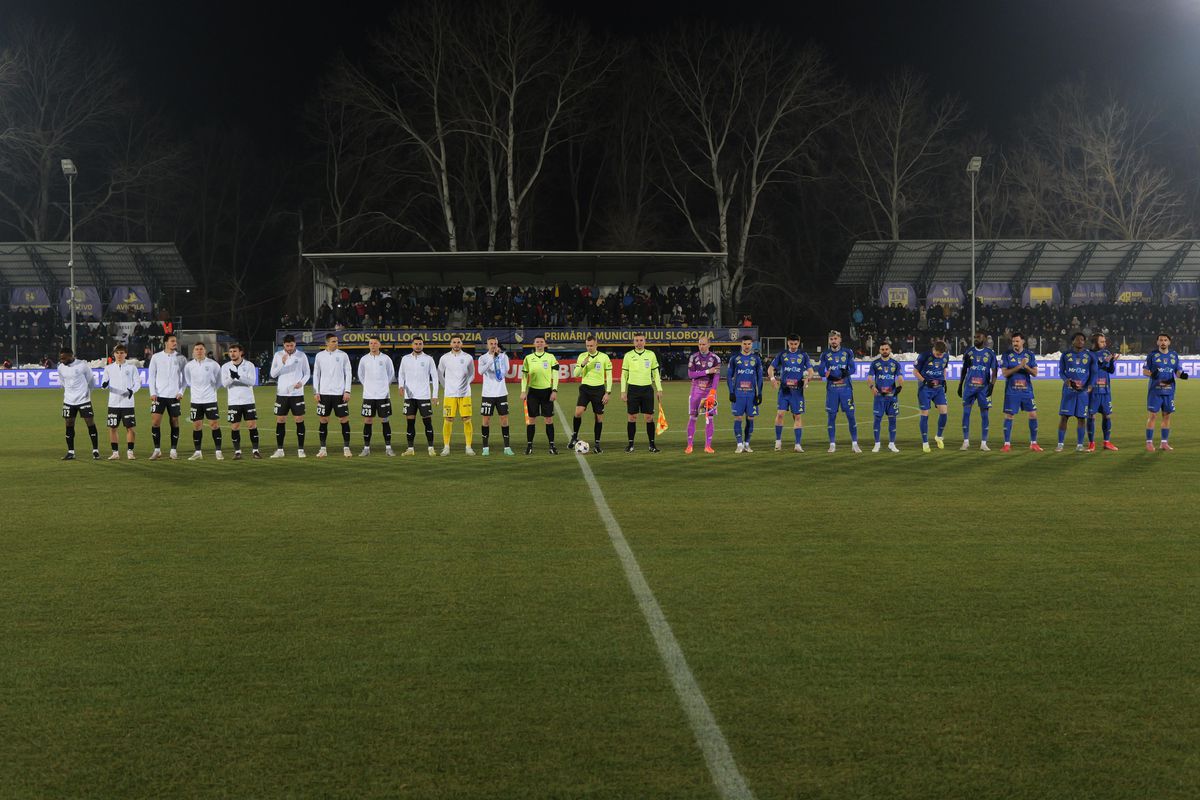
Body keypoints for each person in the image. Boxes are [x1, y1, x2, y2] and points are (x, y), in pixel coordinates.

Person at [815, 330, 860, 453]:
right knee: (831, 416)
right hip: (832, 390)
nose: (833, 341)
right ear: (829, 341)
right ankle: (832, 444)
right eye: (831, 339)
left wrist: (846, 373)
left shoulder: (847, 352)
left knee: (851, 416)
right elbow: (820, 371)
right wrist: (825, 374)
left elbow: (853, 369)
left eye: (835, 339)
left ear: (840, 340)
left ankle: (854, 444)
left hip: (846, 389)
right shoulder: (825, 354)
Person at [768, 334, 813, 453]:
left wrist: (808, 379)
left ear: (799, 343)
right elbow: (770, 368)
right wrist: (772, 379)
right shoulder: (782, 354)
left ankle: (797, 444)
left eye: (795, 344)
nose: (793, 346)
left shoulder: (803, 355)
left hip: (797, 391)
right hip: (784, 390)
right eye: (791, 343)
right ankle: (778, 442)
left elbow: (810, 371)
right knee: (780, 414)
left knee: (797, 416)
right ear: (788, 343)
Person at [1144, 333, 1188, 451]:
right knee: (1153, 416)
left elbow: (1177, 371)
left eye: (1165, 340)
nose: (1163, 342)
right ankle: (1149, 443)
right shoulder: (1152, 355)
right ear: (1157, 342)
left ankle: (1164, 443)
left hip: (1169, 391)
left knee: (1167, 416)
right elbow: (1145, 371)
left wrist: (1182, 375)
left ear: (1169, 342)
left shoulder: (1174, 355)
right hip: (1155, 391)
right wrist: (1152, 374)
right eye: (1161, 340)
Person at [620, 333, 663, 453]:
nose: (639, 342)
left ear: (645, 341)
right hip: (633, 390)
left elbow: (655, 373)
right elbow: (624, 375)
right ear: (633, 342)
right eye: (636, 340)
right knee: (632, 417)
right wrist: (623, 391)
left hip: (647, 389)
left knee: (649, 417)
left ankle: (652, 445)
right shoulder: (628, 355)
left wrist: (659, 389)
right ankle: (630, 445)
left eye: (641, 340)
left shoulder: (651, 354)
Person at [312, 333, 353, 458]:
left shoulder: (343, 355)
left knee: (343, 420)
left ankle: (346, 448)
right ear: (327, 343)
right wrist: (316, 391)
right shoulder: (320, 356)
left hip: (339, 394)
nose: (336, 343)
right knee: (323, 420)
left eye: (336, 341)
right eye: (333, 341)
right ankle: (323, 449)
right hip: (324, 394)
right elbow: (316, 374)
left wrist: (347, 391)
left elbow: (348, 373)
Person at [999, 332, 1042, 452]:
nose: (1015, 343)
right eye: (1013, 341)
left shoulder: (1029, 355)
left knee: (1033, 414)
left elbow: (1035, 373)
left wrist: (1026, 366)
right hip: (1012, 391)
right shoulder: (1006, 355)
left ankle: (1033, 443)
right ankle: (1007, 444)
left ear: (1023, 341)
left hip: (1026, 390)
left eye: (1017, 341)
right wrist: (1019, 366)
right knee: (1009, 415)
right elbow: (1005, 373)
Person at [269, 334, 310, 458]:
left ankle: (301, 450)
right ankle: (280, 450)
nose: (290, 348)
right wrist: (282, 363)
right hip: (282, 393)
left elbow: (307, 373)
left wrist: (301, 383)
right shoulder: (278, 355)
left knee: (299, 420)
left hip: (297, 394)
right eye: (287, 346)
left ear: (295, 344)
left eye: (291, 345)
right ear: (284, 345)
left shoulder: (301, 356)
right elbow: (273, 374)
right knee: (280, 420)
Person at [569, 334, 612, 453]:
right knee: (578, 412)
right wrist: (583, 364)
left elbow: (609, 376)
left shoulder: (604, 357)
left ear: (596, 345)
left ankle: (597, 444)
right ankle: (574, 436)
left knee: (598, 417)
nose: (589, 348)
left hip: (599, 389)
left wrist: (608, 392)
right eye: (587, 346)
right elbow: (576, 374)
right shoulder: (582, 356)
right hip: (585, 388)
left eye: (591, 345)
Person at [148, 333, 186, 460]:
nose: (175, 343)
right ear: (166, 342)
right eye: (172, 341)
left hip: (174, 396)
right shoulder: (156, 357)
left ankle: (173, 450)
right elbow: (151, 376)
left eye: (175, 341)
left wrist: (181, 392)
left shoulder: (181, 358)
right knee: (155, 422)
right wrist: (152, 392)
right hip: (159, 395)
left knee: (174, 421)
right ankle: (157, 450)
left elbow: (185, 378)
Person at [399, 335, 439, 456]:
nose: (418, 346)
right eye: (416, 344)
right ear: (412, 345)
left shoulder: (428, 359)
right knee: (410, 423)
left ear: (423, 345)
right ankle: (410, 449)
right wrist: (401, 386)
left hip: (423, 395)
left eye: (420, 344)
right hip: (409, 396)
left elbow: (435, 377)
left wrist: (435, 395)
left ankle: (431, 448)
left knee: (427, 422)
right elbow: (401, 374)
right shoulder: (405, 358)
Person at [57, 346, 99, 460]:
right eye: (61, 358)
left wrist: (88, 393)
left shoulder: (82, 365)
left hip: (83, 400)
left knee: (90, 423)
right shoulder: (60, 367)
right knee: (69, 424)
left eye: (64, 358)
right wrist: (69, 392)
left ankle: (95, 450)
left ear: (71, 356)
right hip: (68, 401)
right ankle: (71, 452)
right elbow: (62, 381)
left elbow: (91, 380)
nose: (62, 360)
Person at [958, 331, 997, 451]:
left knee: (984, 415)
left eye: (978, 337)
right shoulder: (969, 352)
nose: (975, 339)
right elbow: (964, 369)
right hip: (969, 387)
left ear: (984, 339)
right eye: (975, 337)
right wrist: (960, 385)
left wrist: (992, 385)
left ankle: (983, 443)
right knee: (966, 413)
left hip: (983, 389)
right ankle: (965, 442)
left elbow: (994, 371)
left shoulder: (990, 353)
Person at [357, 335, 395, 457]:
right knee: (368, 420)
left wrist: (383, 387)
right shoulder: (364, 359)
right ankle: (366, 448)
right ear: (369, 345)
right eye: (371, 343)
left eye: (375, 343)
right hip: (368, 395)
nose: (373, 345)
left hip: (383, 395)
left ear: (379, 344)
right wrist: (368, 386)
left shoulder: (386, 359)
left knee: (385, 420)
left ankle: (388, 448)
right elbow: (361, 375)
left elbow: (391, 374)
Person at [520, 335, 560, 455]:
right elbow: (524, 376)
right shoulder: (528, 358)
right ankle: (529, 446)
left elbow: (556, 375)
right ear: (534, 344)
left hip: (547, 391)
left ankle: (552, 446)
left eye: (541, 342)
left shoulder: (550, 357)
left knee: (549, 419)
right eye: (537, 342)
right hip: (533, 392)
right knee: (531, 419)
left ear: (545, 344)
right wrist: (523, 390)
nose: (539, 344)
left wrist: (554, 390)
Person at [184, 342, 223, 460]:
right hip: (195, 400)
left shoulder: (213, 364)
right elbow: (188, 381)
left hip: (210, 399)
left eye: (201, 349)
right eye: (196, 349)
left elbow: (219, 381)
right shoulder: (189, 366)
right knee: (196, 426)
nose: (199, 351)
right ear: (193, 351)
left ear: (205, 351)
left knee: (214, 424)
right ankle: (198, 452)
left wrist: (212, 389)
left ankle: (218, 451)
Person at [438, 335, 476, 456]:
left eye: (458, 342)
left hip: (465, 394)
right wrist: (446, 386)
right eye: (454, 342)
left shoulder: (468, 357)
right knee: (448, 419)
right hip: (449, 394)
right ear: (450, 344)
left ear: (461, 344)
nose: (456, 344)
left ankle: (468, 447)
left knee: (466, 419)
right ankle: (446, 447)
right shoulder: (444, 358)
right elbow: (440, 374)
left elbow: (472, 374)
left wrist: (466, 384)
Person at [221, 343, 260, 459]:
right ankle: (237, 452)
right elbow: (224, 384)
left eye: (234, 351)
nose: (232, 354)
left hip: (248, 400)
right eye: (230, 352)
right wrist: (231, 377)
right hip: (233, 402)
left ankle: (255, 451)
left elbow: (252, 382)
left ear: (240, 352)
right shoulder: (225, 367)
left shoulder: (249, 365)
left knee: (252, 425)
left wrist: (238, 377)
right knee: (235, 427)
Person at [1057, 332, 1094, 452]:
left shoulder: (1089, 355)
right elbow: (1061, 372)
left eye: (1082, 340)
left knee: (1081, 418)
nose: (1080, 342)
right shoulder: (1065, 355)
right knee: (1064, 417)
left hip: (1082, 392)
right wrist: (1066, 380)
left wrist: (1090, 385)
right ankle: (1060, 444)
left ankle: (1079, 445)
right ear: (1072, 341)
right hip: (1069, 391)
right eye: (1078, 340)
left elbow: (1093, 373)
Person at [477, 337, 514, 456]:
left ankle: (507, 447)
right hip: (487, 394)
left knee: (504, 419)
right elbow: (481, 371)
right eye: (491, 343)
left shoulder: (504, 357)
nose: (493, 345)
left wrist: (498, 358)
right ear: (487, 345)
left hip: (501, 393)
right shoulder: (483, 358)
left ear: (497, 344)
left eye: (495, 343)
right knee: (486, 420)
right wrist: (492, 359)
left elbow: (506, 372)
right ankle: (485, 448)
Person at [726, 335, 763, 453]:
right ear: (741, 344)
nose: (747, 346)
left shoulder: (756, 359)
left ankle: (747, 444)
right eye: (745, 344)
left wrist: (759, 393)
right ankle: (739, 444)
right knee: (738, 417)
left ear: (752, 345)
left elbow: (760, 377)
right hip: (738, 394)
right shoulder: (734, 358)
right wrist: (731, 392)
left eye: (749, 344)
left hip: (751, 394)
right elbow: (729, 376)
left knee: (750, 418)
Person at [685, 336, 721, 454]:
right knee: (693, 417)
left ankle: (708, 446)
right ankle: (689, 445)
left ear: (709, 345)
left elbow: (716, 377)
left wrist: (713, 392)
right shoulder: (693, 357)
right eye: (700, 344)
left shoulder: (715, 358)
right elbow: (691, 375)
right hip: (696, 391)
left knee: (709, 418)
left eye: (704, 344)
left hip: (709, 391)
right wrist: (707, 371)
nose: (701, 346)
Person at [102, 344, 139, 460]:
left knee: (130, 428)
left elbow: (138, 383)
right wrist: (104, 385)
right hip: (113, 403)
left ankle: (130, 452)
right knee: (112, 428)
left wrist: (131, 391)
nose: (119, 355)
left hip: (128, 403)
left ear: (126, 354)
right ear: (114, 354)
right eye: (117, 353)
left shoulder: (132, 368)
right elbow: (104, 384)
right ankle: (115, 453)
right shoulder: (108, 368)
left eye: (122, 353)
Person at [913, 340, 950, 453]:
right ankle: (925, 442)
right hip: (925, 389)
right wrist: (925, 381)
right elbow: (915, 372)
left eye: (941, 354)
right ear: (934, 349)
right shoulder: (924, 356)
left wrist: (944, 381)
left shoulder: (945, 356)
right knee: (925, 414)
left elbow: (944, 369)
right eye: (938, 354)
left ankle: (938, 436)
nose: (940, 356)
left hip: (938, 389)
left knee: (944, 412)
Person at [867, 340, 903, 452]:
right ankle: (877, 444)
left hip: (892, 397)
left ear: (890, 350)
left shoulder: (895, 363)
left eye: (886, 349)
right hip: (879, 397)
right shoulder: (875, 363)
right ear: (879, 351)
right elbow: (869, 378)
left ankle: (892, 444)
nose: (885, 351)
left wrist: (900, 386)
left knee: (892, 420)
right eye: (882, 349)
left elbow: (900, 377)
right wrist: (872, 387)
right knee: (877, 420)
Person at [1087, 333, 1118, 452]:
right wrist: (1104, 362)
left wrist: (1112, 362)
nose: (1104, 344)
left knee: (1107, 415)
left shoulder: (1106, 353)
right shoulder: (1088, 355)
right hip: (1093, 390)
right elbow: (1094, 368)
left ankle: (1106, 442)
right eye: (1102, 342)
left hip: (1105, 390)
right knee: (1092, 416)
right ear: (1095, 343)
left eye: (1105, 341)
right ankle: (1091, 443)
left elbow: (1111, 371)